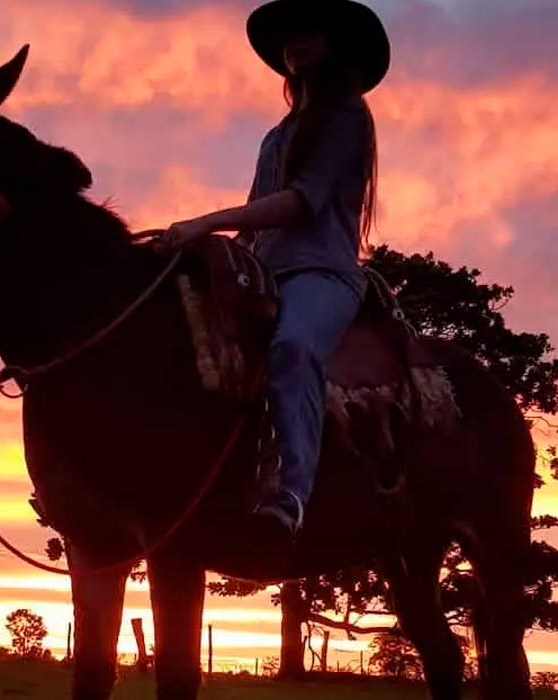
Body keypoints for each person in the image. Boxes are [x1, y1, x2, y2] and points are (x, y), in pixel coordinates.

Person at [161, 0, 389, 535]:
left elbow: (299, 203)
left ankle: (292, 492)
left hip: (321, 273)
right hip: (265, 269)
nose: (294, 41)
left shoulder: (346, 119)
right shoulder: (276, 135)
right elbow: (256, 217)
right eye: (288, 35)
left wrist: (202, 223)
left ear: (336, 45)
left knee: (293, 347)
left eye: (309, 29)